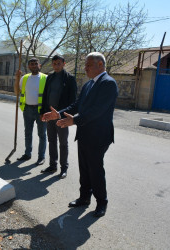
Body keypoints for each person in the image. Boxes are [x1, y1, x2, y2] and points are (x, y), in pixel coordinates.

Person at [42, 52, 118, 217]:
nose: (85, 68)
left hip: (98, 135)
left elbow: (97, 111)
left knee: (95, 169)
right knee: (84, 168)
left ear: (100, 65)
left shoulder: (108, 84)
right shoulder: (89, 84)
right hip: (84, 133)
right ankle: (84, 197)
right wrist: (59, 114)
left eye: (89, 65)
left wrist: (74, 121)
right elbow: (77, 105)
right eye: (85, 65)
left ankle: (101, 202)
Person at [40, 55, 77, 179]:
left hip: (62, 117)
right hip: (50, 116)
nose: (56, 66)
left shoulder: (70, 79)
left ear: (64, 63)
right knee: (51, 141)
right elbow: (45, 95)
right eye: (54, 64)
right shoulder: (50, 77)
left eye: (59, 63)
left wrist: (63, 113)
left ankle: (64, 168)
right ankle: (52, 165)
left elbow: (73, 101)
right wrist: (43, 112)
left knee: (63, 143)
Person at [15, 58, 47, 165]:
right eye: (31, 64)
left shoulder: (45, 78)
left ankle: (41, 157)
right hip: (27, 109)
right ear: (29, 66)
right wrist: (17, 78)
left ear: (40, 65)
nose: (34, 66)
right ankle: (27, 154)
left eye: (35, 64)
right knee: (28, 133)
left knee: (42, 134)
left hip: (41, 110)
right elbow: (16, 92)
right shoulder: (24, 78)